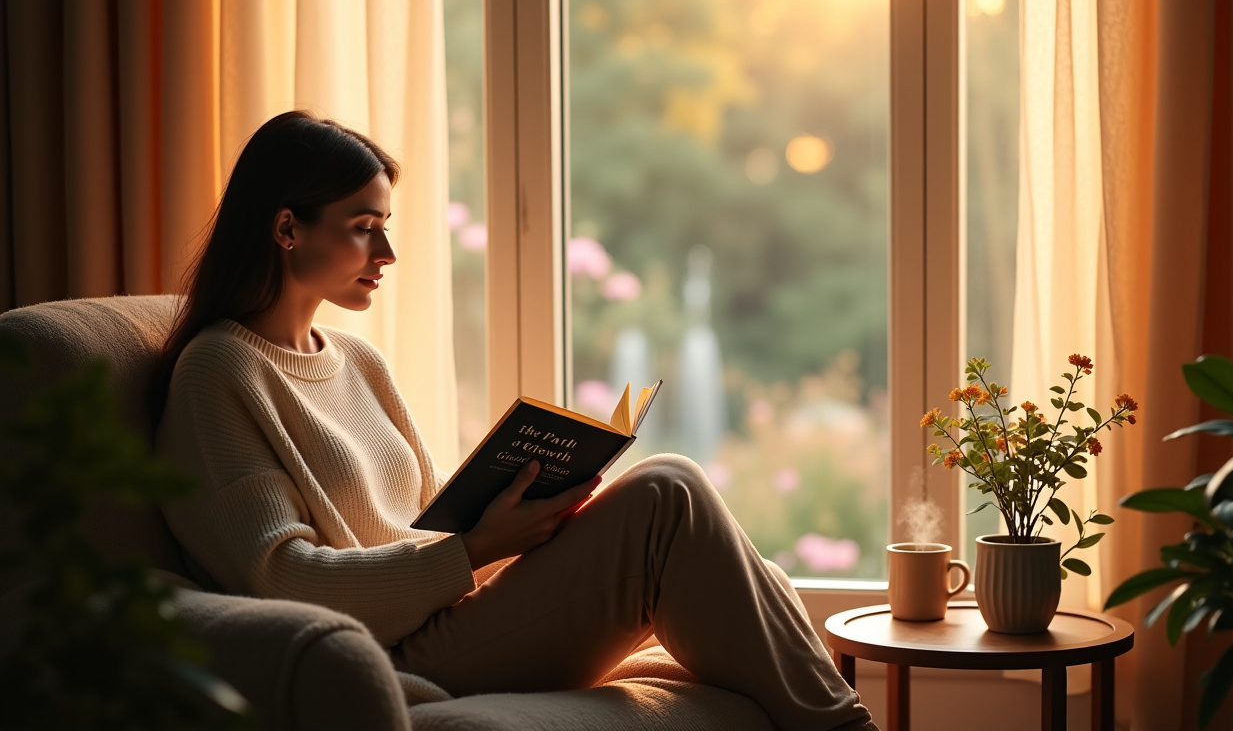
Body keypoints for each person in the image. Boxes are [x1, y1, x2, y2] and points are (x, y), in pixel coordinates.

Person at [152, 110, 876, 730]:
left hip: (452, 611)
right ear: (286, 227)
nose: (388, 253)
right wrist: (467, 554)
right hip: (394, 651)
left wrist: (531, 519)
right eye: (364, 228)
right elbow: (281, 580)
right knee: (670, 494)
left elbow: (430, 518)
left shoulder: (356, 360)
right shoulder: (219, 372)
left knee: (750, 574)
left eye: (386, 227)